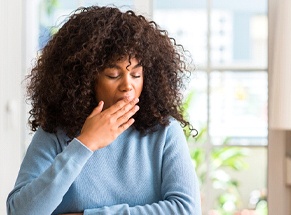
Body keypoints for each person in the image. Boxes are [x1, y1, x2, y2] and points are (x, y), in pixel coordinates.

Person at [7, 5, 201, 215]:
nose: (128, 85)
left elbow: (186, 209)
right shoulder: (55, 133)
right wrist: (85, 143)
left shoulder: (164, 131)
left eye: (136, 75)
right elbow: (22, 212)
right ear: (85, 79)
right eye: (113, 75)